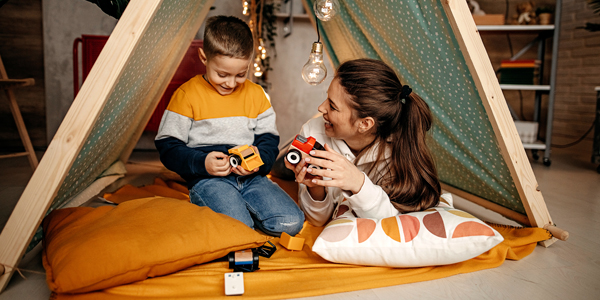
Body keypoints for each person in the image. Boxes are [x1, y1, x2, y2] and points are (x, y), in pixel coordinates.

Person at [155, 15, 304, 236]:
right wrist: (202, 163)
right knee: (238, 227)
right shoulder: (187, 95)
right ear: (204, 58)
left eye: (241, 75)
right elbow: (168, 147)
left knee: (291, 224)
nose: (231, 83)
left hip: (252, 178)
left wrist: (258, 162)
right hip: (209, 180)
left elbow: (269, 140)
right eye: (222, 74)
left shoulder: (256, 94)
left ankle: (244, 214)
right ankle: (241, 219)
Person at [285, 58, 441, 227]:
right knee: (283, 165)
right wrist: (315, 187)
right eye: (326, 98)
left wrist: (357, 182)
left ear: (364, 124)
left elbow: (391, 222)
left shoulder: (398, 152)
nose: (321, 108)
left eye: (332, 106)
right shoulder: (313, 133)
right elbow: (317, 221)